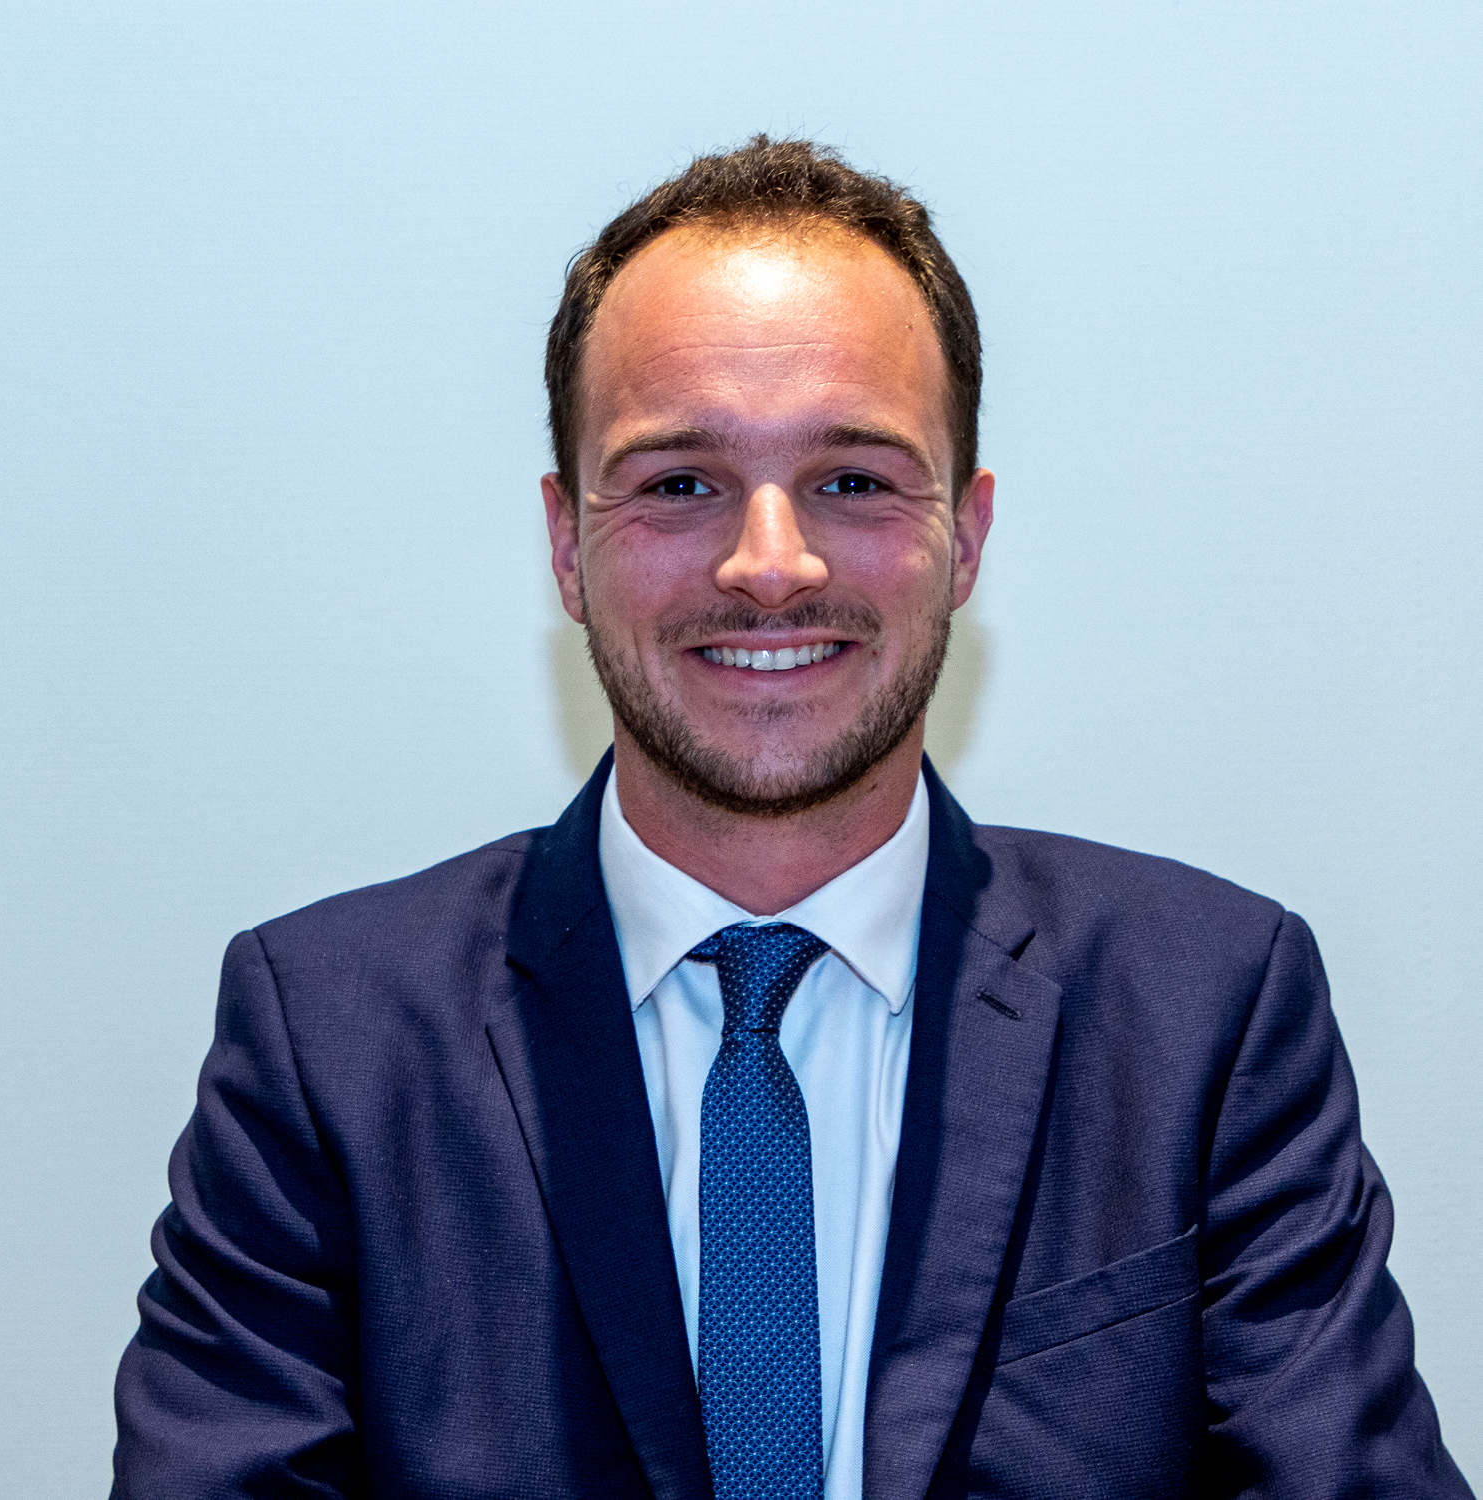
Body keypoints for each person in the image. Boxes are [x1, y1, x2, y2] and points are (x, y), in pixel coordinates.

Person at [110, 136, 1472, 1499]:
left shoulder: (1206, 1012)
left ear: (969, 537)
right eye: (681, 483)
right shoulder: (327, 1040)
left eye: (856, 480)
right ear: (566, 543)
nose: (771, 564)